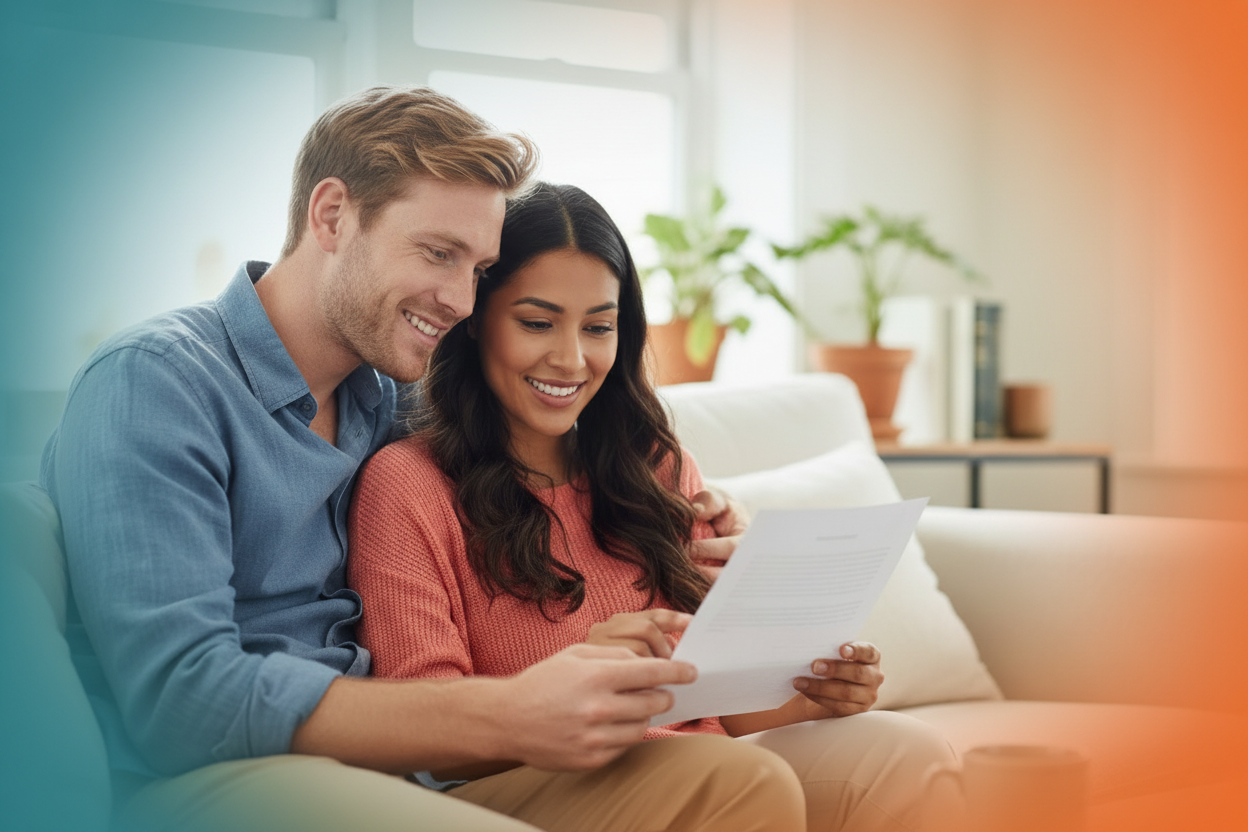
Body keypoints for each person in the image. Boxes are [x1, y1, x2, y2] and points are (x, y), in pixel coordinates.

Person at [39, 86, 808, 832]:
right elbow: (182, 700)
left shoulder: (387, 401)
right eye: (438, 253)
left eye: (476, 271)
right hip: (211, 781)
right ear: (332, 214)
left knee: (738, 784)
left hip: (392, 775)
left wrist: (701, 517)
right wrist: (506, 711)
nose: (463, 301)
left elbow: (539, 456)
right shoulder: (157, 383)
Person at [347, 182, 956, 831]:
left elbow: (716, 708)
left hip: (695, 767)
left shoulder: (658, 469)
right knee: (739, 778)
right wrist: (581, 685)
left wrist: (812, 694)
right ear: (475, 322)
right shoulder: (408, 485)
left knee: (907, 753)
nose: (571, 358)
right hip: (512, 788)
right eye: (536, 321)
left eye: (599, 326)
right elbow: (430, 736)